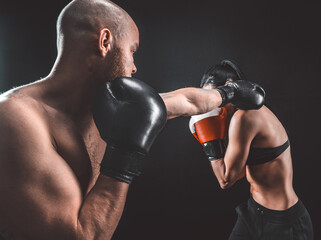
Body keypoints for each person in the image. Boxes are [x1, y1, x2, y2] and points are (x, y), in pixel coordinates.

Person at [0, 1, 265, 239]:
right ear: (105, 42)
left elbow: (187, 101)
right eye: (132, 51)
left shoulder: (107, 107)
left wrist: (229, 92)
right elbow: (80, 236)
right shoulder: (17, 120)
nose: (134, 67)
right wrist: (124, 159)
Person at [189, 60, 313, 240]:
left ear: (230, 87)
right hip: (254, 213)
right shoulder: (242, 115)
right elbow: (239, 173)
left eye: (214, 98)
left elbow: (226, 180)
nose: (211, 106)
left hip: (284, 223)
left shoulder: (245, 118)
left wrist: (210, 142)